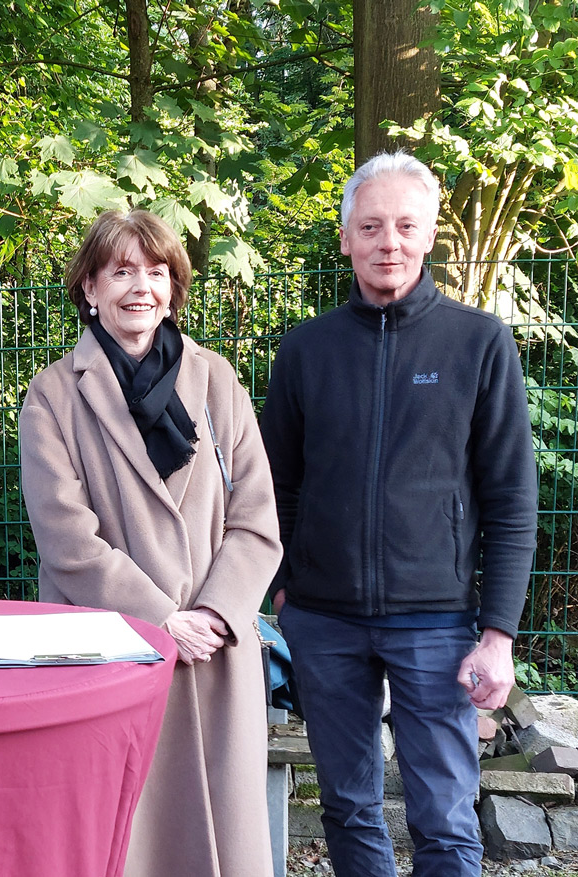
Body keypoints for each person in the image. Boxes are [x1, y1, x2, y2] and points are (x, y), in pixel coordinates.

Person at [261, 151, 538, 876]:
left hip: (436, 622)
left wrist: (497, 633)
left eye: (405, 225)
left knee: (444, 818)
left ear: (429, 234)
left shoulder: (479, 343)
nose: (389, 241)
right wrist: (286, 587)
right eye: (372, 225)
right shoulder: (304, 349)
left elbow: (511, 498)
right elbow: (272, 484)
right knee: (348, 807)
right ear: (345, 236)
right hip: (322, 621)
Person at [20, 208, 281, 876]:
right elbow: (65, 535)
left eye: (156, 271)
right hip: (114, 648)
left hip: (215, 654)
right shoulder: (52, 394)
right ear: (89, 288)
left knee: (219, 838)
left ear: (173, 286)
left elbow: (255, 518)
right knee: (122, 838)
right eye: (121, 271)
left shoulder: (216, 379)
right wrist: (164, 618)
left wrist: (215, 613)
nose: (141, 286)